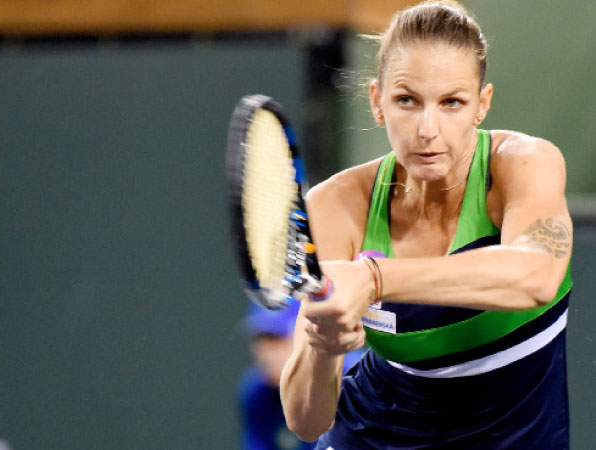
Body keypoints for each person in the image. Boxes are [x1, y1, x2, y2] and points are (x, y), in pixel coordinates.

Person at [279, 1, 573, 449]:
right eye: (406, 101)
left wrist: (374, 278)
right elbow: (307, 421)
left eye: (452, 102)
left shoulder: (525, 162)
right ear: (378, 102)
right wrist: (324, 347)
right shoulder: (336, 204)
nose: (427, 129)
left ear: (482, 105)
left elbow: (537, 278)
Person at [238, 300, 362, 450]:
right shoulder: (257, 395)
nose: (267, 354)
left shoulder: (358, 382)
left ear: (309, 334)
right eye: (261, 340)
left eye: (278, 339)